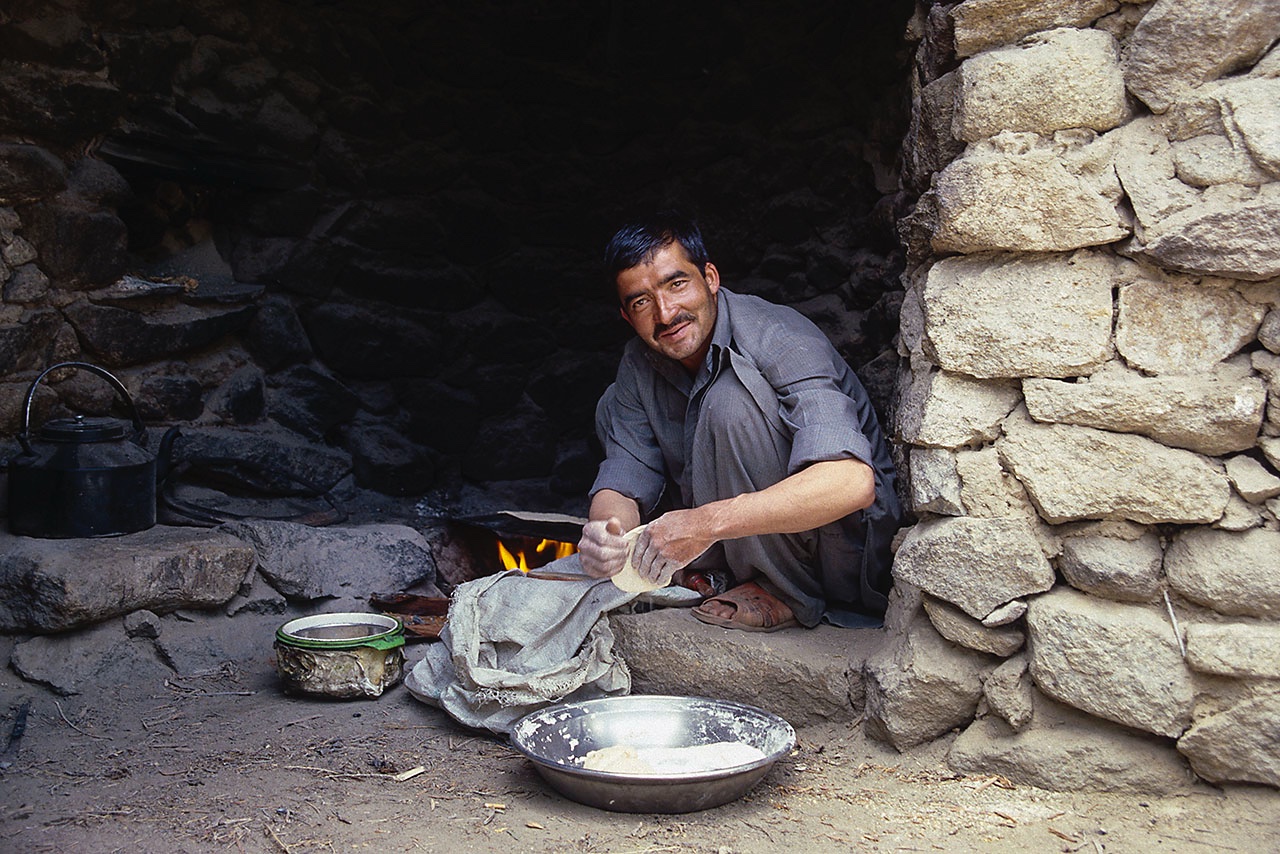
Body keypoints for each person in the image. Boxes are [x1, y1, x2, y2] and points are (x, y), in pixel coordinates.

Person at [577, 211, 905, 631]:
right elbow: (625, 475)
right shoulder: (639, 361)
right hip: (729, 538)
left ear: (710, 278)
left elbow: (851, 482)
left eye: (677, 284)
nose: (665, 313)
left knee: (729, 402)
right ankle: (726, 571)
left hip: (837, 552)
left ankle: (781, 588)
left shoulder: (779, 336)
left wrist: (703, 525)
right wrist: (606, 532)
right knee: (611, 404)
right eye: (641, 302)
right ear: (626, 316)